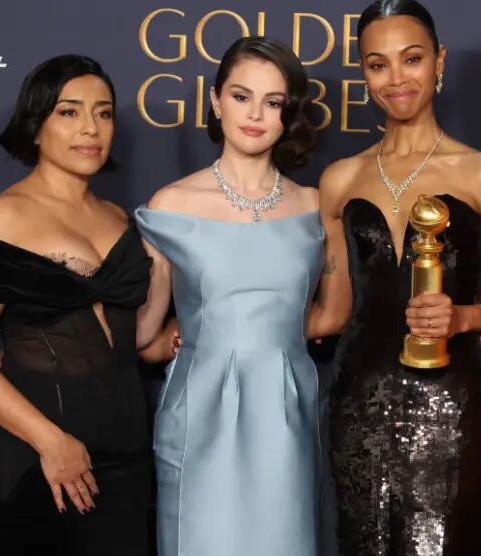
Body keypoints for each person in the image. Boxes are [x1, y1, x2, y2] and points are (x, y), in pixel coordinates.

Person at [310, 1, 481, 553]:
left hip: (451, 402)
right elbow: (333, 312)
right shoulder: (339, 180)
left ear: (439, 61)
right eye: (378, 65)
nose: (396, 79)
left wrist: (464, 318)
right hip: (358, 400)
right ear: (363, 73)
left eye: (412, 59)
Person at [0, 55, 152, 555]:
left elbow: (121, 339)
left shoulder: (117, 218)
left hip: (126, 463)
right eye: (69, 112)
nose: (91, 128)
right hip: (38, 464)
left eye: (103, 113)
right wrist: (51, 443)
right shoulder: (2, 218)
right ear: (35, 125)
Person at [134, 37, 322, 556]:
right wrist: (193, 338)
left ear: (289, 113)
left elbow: (340, 312)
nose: (255, 114)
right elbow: (144, 332)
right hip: (202, 410)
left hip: (287, 411)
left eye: (273, 101)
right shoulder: (172, 203)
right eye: (241, 97)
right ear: (216, 102)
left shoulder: (314, 207)